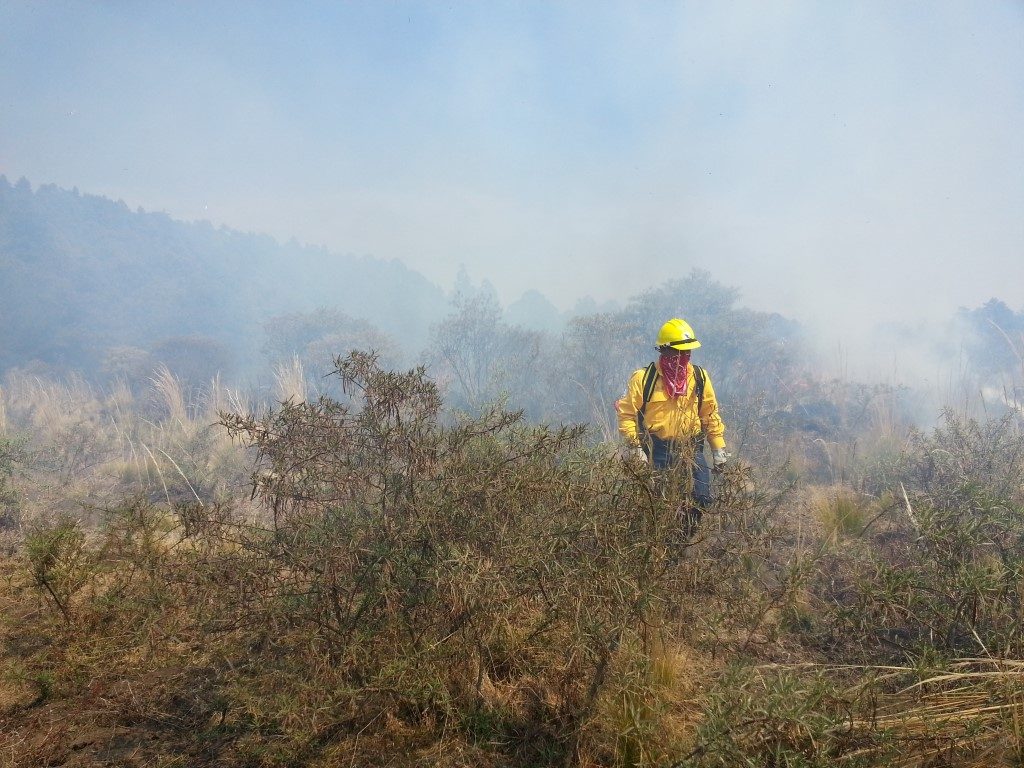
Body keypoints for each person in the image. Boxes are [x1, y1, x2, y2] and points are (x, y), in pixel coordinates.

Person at [615, 318, 728, 532]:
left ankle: (682, 540)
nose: (684, 358)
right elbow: (627, 415)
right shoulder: (643, 379)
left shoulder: (699, 377)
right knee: (660, 504)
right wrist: (635, 447)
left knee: (701, 498)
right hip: (657, 450)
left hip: (691, 448)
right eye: (679, 352)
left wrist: (718, 448)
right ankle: (664, 546)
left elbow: (710, 414)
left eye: (687, 353)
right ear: (664, 351)